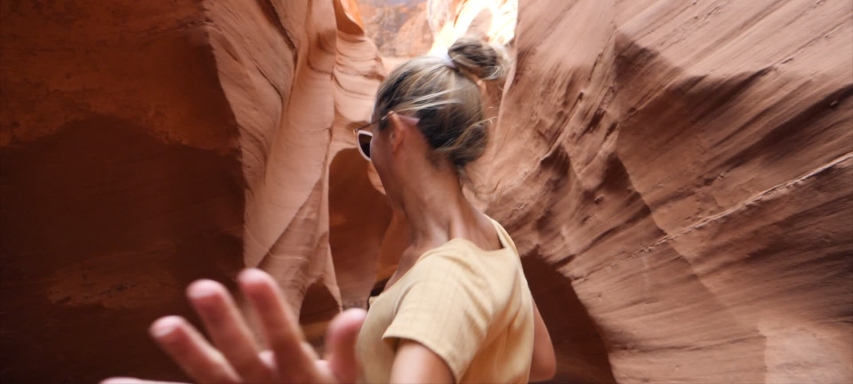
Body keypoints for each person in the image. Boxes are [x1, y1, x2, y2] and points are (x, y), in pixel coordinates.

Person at [103, 38, 556, 384]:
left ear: (395, 134)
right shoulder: (493, 237)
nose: (370, 156)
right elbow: (540, 363)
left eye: (367, 142)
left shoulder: (445, 278)